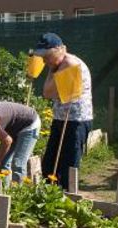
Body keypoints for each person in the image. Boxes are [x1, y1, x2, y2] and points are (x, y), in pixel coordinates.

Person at [33, 32, 93, 190]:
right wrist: (52, 67)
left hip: (76, 121)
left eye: (47, 55)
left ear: (60, 49)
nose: (44, 60)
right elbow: (46, 91)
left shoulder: (70, 63)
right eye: (42, 56)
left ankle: (69, 200)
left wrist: (52, 69)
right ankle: (50, 198)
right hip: (60, 118)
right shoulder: (57, 64)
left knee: (68, 166)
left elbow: (48, 91)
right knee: (49, 165)